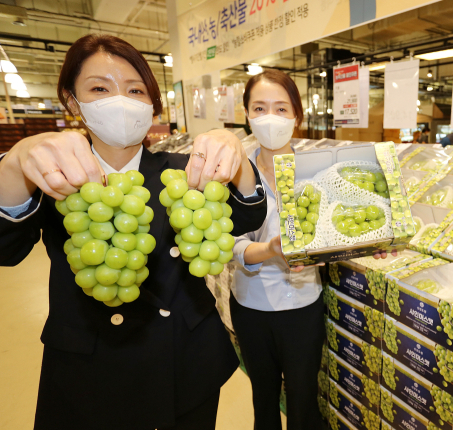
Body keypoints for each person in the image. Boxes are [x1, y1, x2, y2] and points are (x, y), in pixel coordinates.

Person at [0, 35, 267, 430]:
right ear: (72, 101)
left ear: (152, 104)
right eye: (99, 88)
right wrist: (12, 166)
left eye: (135, 89)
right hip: (88, 368)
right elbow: (7, 249)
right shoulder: (49, 175)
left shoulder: (183, 169)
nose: (119, 100)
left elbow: (248, 216)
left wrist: (238, 158)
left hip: (185, 361)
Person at [230, 69, 392, 430]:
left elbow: (336, 226)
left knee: (303, 398)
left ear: (297, 117)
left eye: (281, 108)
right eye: (259, 108)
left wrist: (372, 240)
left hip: (302, 306)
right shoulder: (235, 170)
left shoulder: (321, 169)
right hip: (251, 305)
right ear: (246, 115)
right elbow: (232, 245)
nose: (270, 118)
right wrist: (271, 249)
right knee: (264, 398)